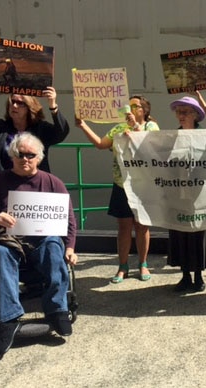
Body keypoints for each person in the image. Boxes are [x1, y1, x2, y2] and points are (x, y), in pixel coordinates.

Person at [0, 133, 77, 359]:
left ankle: (57, 310)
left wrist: (70, 247)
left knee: (54, 246)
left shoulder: (52, 182)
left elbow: (68, 219)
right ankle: (7, 320)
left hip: (41, 242)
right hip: (9, 241)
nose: (25, 159)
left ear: (39, 158)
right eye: (20, 154)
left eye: (31, 155)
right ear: (12, 156)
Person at [76, 95, 159, 283]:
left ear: (144, 110)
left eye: (135, 106)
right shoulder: (118, 129)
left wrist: (135, 128)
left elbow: (151, 146)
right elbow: (100, 144)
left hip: (143, 184)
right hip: (122, 184)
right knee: (123, 227)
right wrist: (83, 125)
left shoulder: (150, 127)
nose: (129, 109)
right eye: (127, 106)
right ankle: (123, 266)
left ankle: (143, 264)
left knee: (142, 225)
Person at [167, 96, 206, 292]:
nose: (180, 116)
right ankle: (184, 275)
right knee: (180, 230)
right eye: (178, 112)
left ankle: (198, 275)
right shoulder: (171, 137)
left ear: (196, 115)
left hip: (200, 192)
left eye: (185, 112)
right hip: (178, 191)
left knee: (200, 232)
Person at [0, 87, 70, 180]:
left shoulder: (40, 129)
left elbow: (61, 132)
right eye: (12, 101)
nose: (14, 105)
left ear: (30, 107)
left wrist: (53, 106)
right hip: (2, 188)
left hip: (32, 188)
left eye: (20, 103)